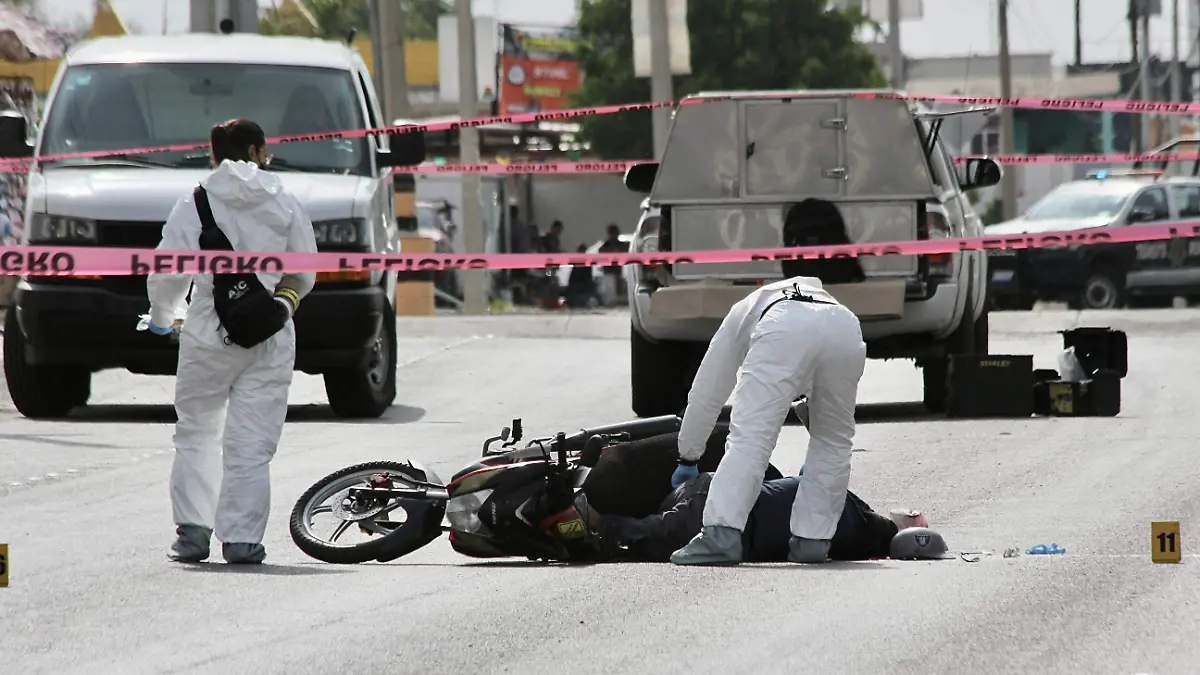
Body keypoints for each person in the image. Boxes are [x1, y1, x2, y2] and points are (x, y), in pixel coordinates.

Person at [145, 118, 318, 565]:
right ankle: (242, 540)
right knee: (252, 441)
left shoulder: (195, 200)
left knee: (197, 432)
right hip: (268, 332)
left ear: (214, 154)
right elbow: (304, 270)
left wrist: (163, 320)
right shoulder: (284, 200)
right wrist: (283, 305)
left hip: (206, 329)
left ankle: (192, 534)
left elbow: (168, 272)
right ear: (260, 150)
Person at [668, 231, 868, 565]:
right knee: (833, 441)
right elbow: (819, 408)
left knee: (751, 437)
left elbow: (708, 391)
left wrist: (688, 456)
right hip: (846, 328)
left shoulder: (747, 307)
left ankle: (721, 536)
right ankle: (812, 541)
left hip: (781, 326)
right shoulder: (830, 306)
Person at [545, 469, 933, 563]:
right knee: (647, 536)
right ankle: (592, 521)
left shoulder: (849, 512)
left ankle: (590, 519)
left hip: (712, 491)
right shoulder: (854, 522)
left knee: (654, 528)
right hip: (718, 510)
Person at [596, 224, 627, 306]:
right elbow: (601, 253)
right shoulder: (605, 246)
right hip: (609, 274)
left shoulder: (621, 245)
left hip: (618, 272)